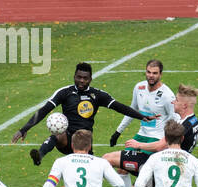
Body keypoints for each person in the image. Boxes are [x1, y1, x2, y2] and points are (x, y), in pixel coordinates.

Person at [11, 62, 151, 166]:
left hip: (84, 140)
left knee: (84, 174)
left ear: (90, 78)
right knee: (57, 134)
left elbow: (120, 107)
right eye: (79, 77)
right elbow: (44, 110)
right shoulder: (65, 92)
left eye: (85, 78)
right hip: (67, 138)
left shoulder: (97, 95)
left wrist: (141, 116)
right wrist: (24, 129)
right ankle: (39, 156)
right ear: (74, 76)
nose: (81, 81)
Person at [105, 59, 178, 187]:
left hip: (153, 143)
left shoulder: (167, 96)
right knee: (121, 170)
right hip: (139, 137)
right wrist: (117, 132)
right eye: (148, 72)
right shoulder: (138, 87)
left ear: (161, 74)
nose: (151, 76)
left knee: (111, 163)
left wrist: (167, 146)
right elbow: (132, 111)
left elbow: (175, 122)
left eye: (155, 73)